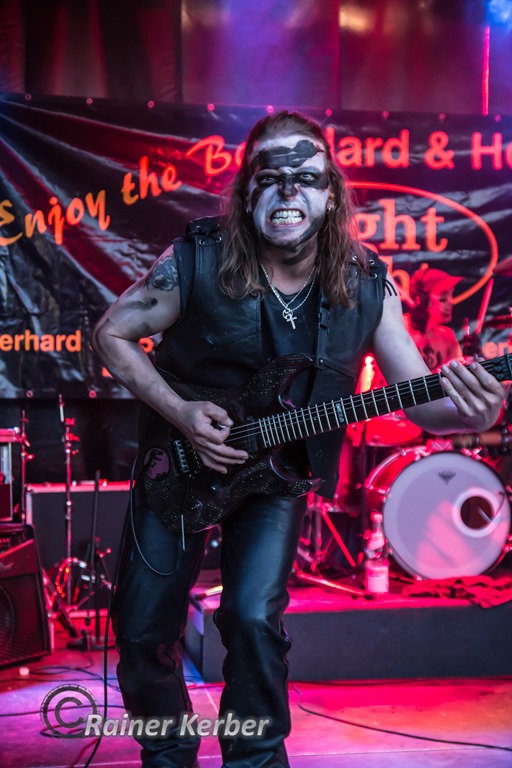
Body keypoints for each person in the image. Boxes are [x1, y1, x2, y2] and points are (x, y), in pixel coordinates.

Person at [91, 110, 504, 768]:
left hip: (275, 479)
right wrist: (182, 412)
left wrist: (470, 414)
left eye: (305, 175)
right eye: (269, 175)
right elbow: (111, 332)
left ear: (331, 193)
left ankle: (254, 759)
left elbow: (425, 404)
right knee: (142, 629)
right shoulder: (195, 259)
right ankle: (167, 757)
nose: (288, 188)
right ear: (245, 192)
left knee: (254, 620)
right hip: (179, 463)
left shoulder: (366, 286)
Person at [407, 265, 463, 371]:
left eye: (451, 295)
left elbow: (457, 372)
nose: (450, 302)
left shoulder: (447, 336)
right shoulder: (398, 328)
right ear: (421, 299)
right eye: (443, 298)